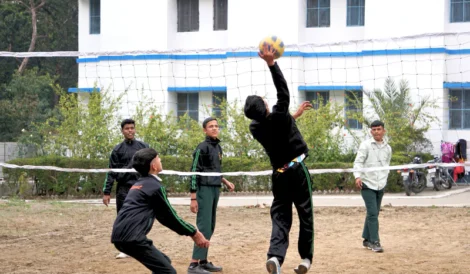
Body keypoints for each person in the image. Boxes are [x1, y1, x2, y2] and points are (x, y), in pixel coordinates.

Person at [244, 44, 314, 274]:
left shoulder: (255, 127)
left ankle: (275, 257)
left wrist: (295, 116)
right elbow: (283, 91)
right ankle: (305, 259)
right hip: (296, 166)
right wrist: (271, 63)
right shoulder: (280, 116)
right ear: (265, 106)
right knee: (305, 214)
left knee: (281, 216)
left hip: (279, 173)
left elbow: (277, 124)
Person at [111, 148, 210, 274]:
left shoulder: (137, 185)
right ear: (154, 166)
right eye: (158, 158)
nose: (160, 160)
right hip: (133, 239)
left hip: (118, 236)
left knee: (164, 262)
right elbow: (170, 217)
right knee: (168, 272)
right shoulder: (155, 187)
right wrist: (194, 233)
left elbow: (163, 217)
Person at [187, 117, 235, 274]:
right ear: (204, 130)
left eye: (216, 126)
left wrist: (226, 182)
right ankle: (194, 264)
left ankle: (204, 261)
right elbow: (194, 172)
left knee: (211, 225)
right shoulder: (202, 147)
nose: (214, 128)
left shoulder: (218, 147)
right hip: (204, 189)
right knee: (204, 226)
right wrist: (193, 197)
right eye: (210, 126)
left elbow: (215, 170)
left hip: (215, 188)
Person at [102, 119, 149, 259]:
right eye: (127, 128)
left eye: (132, 128)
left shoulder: (143, 147)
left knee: (141, 217)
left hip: (140, 187)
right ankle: (125, 248)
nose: (130, 130)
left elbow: (151, 166)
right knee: (123, 217)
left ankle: (139, 246)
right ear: (122, 131)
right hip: (123, 189)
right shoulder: (117, 150)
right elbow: (111, 171)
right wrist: (106, 192)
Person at [353, 120, 392, 253]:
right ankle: (375, 241)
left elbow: (387, 165)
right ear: (371, 131)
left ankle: (366, 239)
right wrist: (357, 176)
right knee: (373, 213)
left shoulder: (388, 148)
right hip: (367, 184)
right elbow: (358, 162)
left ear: (383, 131)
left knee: (373, 213)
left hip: (380, 184)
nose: (376, 132)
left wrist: (384, 179)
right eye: (374, 129)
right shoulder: (365, 145)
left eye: (379, 129)